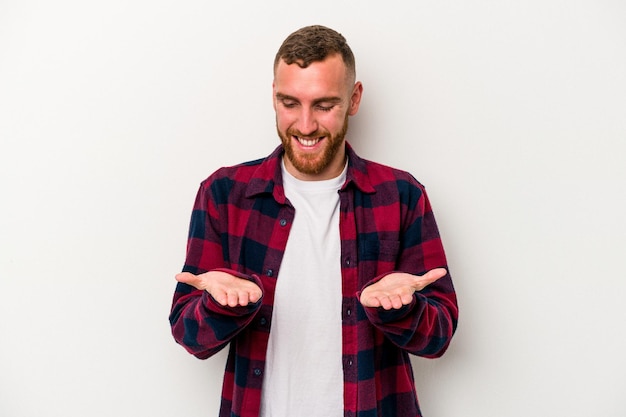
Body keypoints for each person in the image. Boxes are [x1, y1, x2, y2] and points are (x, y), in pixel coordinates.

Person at [169, 25, 458, 417]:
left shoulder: (402, 196)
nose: (305, 125)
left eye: (324, 105)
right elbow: (190, 336)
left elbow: (439, 336)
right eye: (290, 103)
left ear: (354, 99)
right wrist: (221, 305)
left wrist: (400, 308)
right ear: (273, 95)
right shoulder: (224, 194)